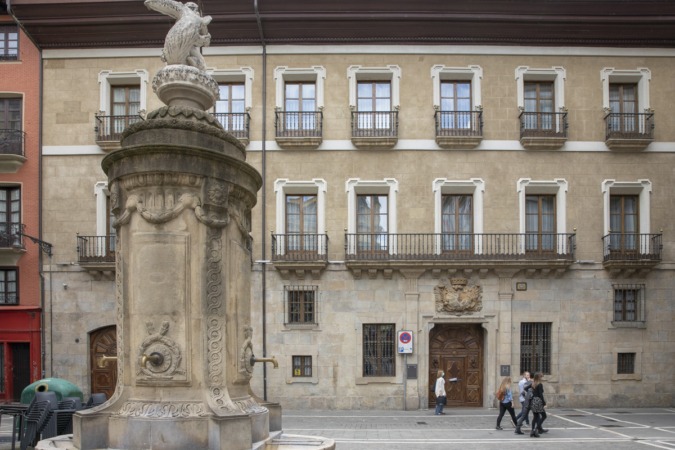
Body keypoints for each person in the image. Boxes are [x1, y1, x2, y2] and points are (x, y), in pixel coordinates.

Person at [144, 0, 212, 70]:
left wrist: (151, 3)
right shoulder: (191, 16)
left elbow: (168, 5)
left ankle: (194, 64)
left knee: (201, 65)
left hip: (178, 49)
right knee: (202, 66)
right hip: (180, 48)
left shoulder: (186, 15)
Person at [529, 372, 549, 437]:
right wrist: (544, 403)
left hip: (533, 400)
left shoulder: (533, 384)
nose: (542, 378)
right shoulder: (539, 384)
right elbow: (541, 395)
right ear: (539, 377)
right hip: (538, 401)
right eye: (541, 377)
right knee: (544, 416)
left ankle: (532, 431)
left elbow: (525, 388)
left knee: (535, 417)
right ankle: (537, 429)